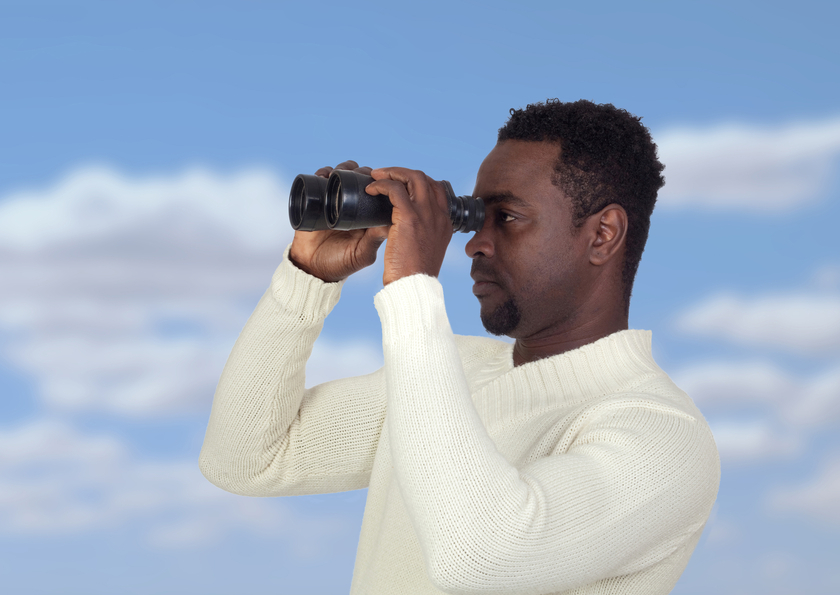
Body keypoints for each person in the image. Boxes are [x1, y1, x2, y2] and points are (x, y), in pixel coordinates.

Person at [199, 99, 720, 595]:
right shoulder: (454, 373)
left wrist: (411, 288)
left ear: (603, 234)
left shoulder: (662, 437)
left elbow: (473, 554)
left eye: (509, 217)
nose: (473, 243)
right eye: (473, 215)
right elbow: (244, 460)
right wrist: (307, 280)